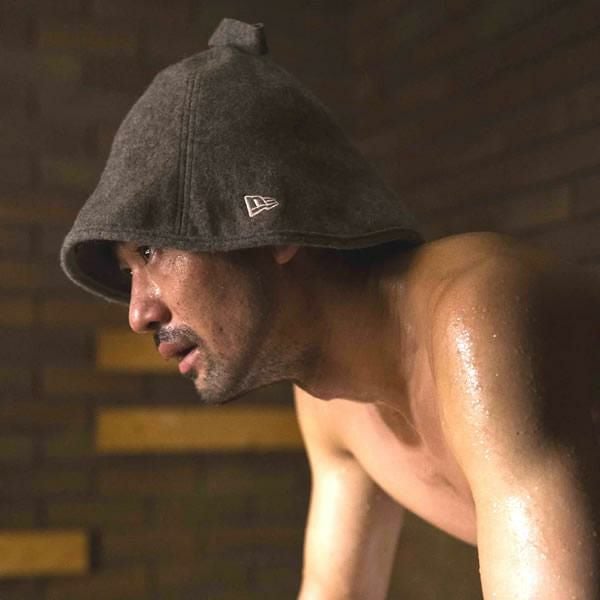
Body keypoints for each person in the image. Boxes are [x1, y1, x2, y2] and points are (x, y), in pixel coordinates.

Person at [61, 18, 599, 600]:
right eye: (128, 272)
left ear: (272, 231)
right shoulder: (331, 403)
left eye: (150, 251)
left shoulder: (475, 314)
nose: (138, 313)